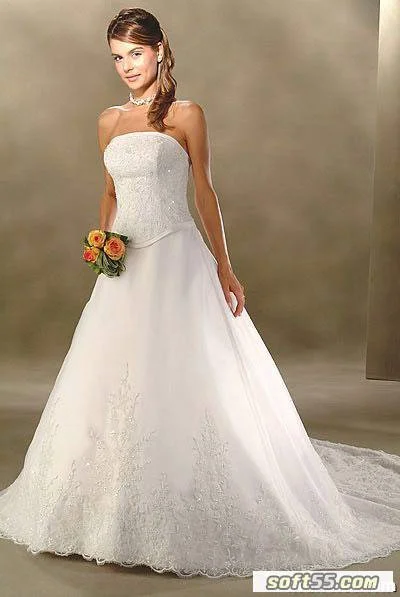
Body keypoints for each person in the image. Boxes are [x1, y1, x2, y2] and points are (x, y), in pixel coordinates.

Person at [0, 7, 399, 580]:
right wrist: (103, 243)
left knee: (185, 373)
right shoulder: (108, 121)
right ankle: (100, 507)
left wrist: (225, 268)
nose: (126, 66)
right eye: (117, 57)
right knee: (111, 378)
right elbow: (110, 193)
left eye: (136, 53)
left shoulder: (186, 114)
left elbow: (205, 192)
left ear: (160, 49)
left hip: (177, 260)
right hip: (125, 267)